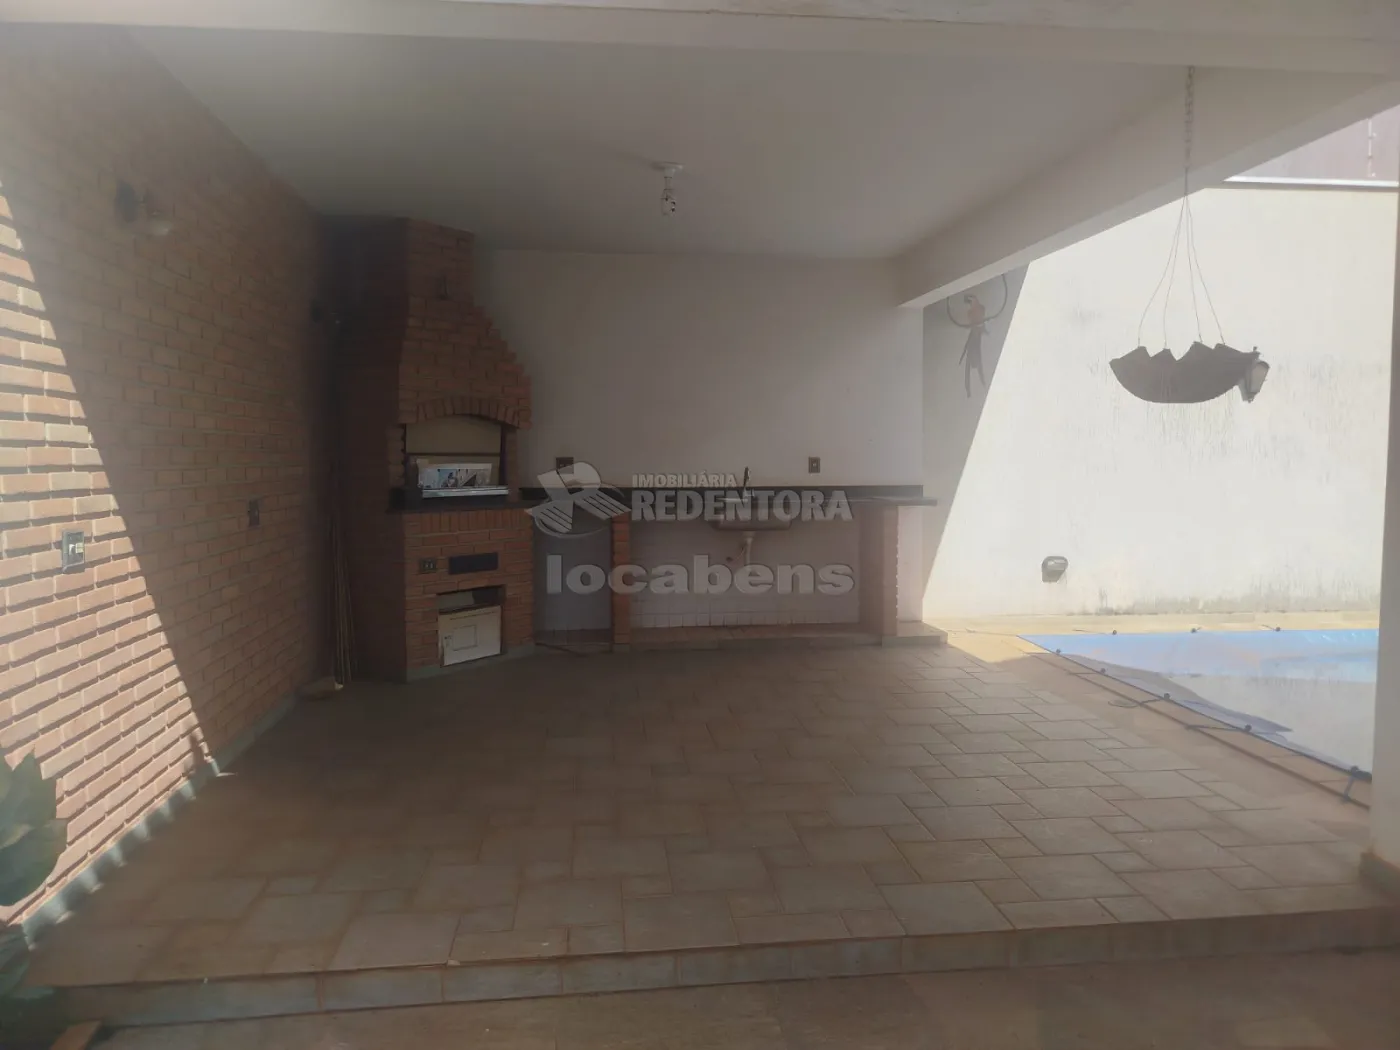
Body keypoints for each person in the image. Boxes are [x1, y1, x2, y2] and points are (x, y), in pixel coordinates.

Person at [959, 293, 987, 397]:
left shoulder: (982, 308)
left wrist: (982, 329)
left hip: (977, 332)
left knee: (976, 353)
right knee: (973, 354)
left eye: (972, 300)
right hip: (974, 333)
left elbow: (982, 323)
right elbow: (972, 324)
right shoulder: (970, 313)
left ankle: (982, 382)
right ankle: (969, 389)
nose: (971, 304)